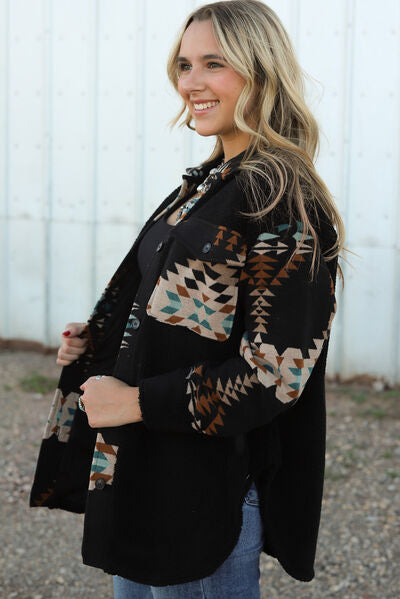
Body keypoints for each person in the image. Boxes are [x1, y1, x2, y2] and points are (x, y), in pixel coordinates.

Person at [30, 1, 346, 597]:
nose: (190, 83)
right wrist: (105, 344)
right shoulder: (210, 181)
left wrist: (136, 401)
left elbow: (274, 375)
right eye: (183, 65)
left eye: (213, 64)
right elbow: (184, 313)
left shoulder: (279, 200)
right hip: (145, 474)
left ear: (261, 71)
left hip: (203, 493)